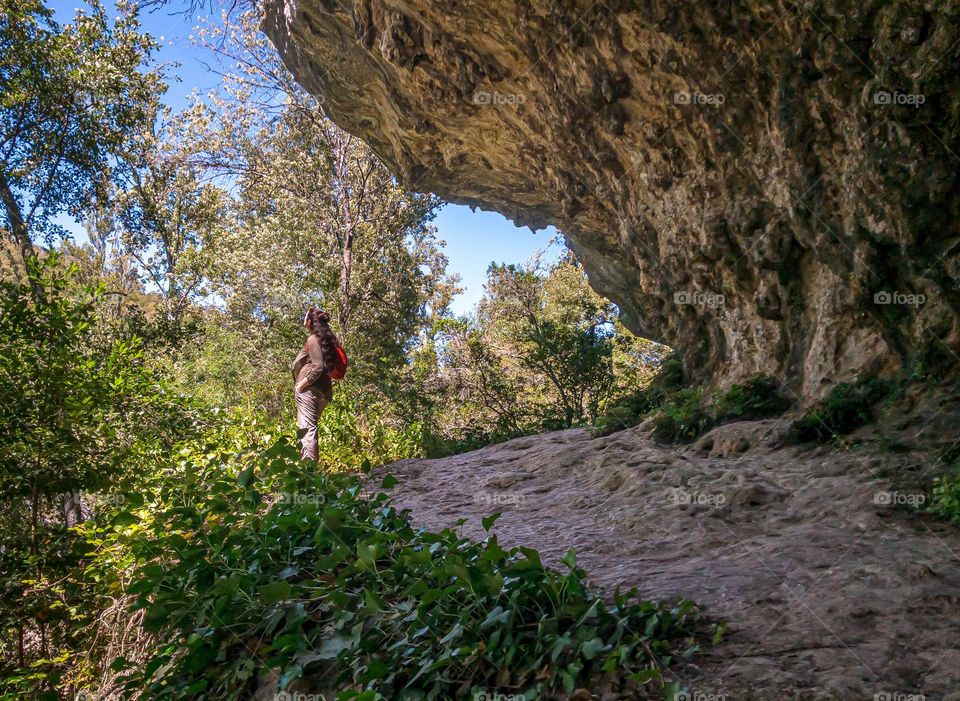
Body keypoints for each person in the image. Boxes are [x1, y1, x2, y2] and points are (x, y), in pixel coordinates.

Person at [292, 307, 339, 461]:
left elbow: (318, 367)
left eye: (305, 317)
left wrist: (301, 385)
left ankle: (309, 473)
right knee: (310, 428)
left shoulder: (314, 339)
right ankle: (310, 471)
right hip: (324, 391)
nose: (303, 320)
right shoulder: (328, 340)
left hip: (310, 390)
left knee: (306, 430)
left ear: (310, 321)